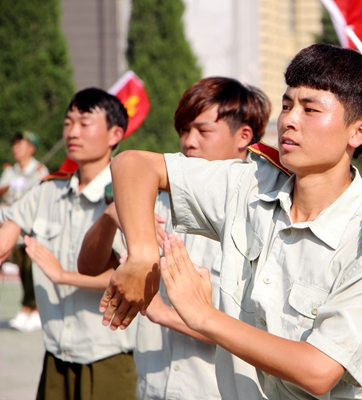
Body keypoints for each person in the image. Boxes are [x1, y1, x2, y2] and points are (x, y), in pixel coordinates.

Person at [98, 43, 362, 399]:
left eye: (310, 109)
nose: (289, 119)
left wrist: (204, 316)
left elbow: (319, 370)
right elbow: (132, 164)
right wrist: (142, 255)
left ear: (358, 132)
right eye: (288, 105)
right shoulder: (250, 185)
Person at [79, 77, 271, 400]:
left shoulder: (261, 214)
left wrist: (162, 312)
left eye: (202, 130)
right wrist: (112, 217)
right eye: (183, 130)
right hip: (153, 387)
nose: (188, 142)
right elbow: (89, 266)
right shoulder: (151, 199)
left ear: (244, 136)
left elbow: (262, 336)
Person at [0, 88, 137, 399]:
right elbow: (9, 224)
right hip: (55, 354)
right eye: (68, 122)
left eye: (85, 123)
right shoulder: (47, 191)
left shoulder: (129, 197)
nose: (72, 132)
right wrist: (9, 228)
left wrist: (63, 276)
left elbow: (130, 277)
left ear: (115, 133)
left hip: (108, 356)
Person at [1, 131, 49, 331]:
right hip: (14, 227)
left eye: (21, 144)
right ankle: (26, 307)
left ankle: (36, 309)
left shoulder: (39, 170)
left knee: (33, 269)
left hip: (32, 227)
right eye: (15, 144)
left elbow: (42, 197)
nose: (16, 148)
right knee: (22, 268)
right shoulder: (11, 171)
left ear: (31, 148)